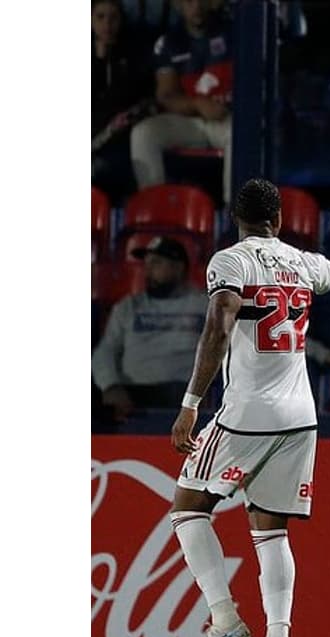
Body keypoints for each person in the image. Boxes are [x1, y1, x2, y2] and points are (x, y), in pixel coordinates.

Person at [167, 179, 330, 637]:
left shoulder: (230, 262)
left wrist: (192, 401)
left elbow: (219, 323)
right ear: (278, 219)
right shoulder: (301, 261)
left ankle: (224, 617)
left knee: (188, 509)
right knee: (269, 529)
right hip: (301, 415)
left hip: (248, 413)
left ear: (237, 220)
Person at [92, 237, 207, 423]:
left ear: (178, 268)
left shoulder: (203, 304)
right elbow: (106, 350)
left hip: (183, 392)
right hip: (131, 391)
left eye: (156, 263)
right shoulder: (128, 307)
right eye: (147, 263)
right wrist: (111, 387)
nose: (147, 269)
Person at [130, 0, 234, 201]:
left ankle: (235, 219)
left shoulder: (232, 31)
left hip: (228, 118)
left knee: (241, 134)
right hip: (191, 120)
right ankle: (155, 212)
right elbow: (166, 95)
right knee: (143, 133)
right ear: (178, 4)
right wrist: (197, 104)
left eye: (201, 1)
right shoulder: (169, 42)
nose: (196, 6)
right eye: (189, 1)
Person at [93, 0, 155, 201]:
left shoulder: (133, 55)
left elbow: (127, 98)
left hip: (119, 139)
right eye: (100, 17)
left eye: (113, 18)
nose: (107, 24)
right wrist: (99, 61)